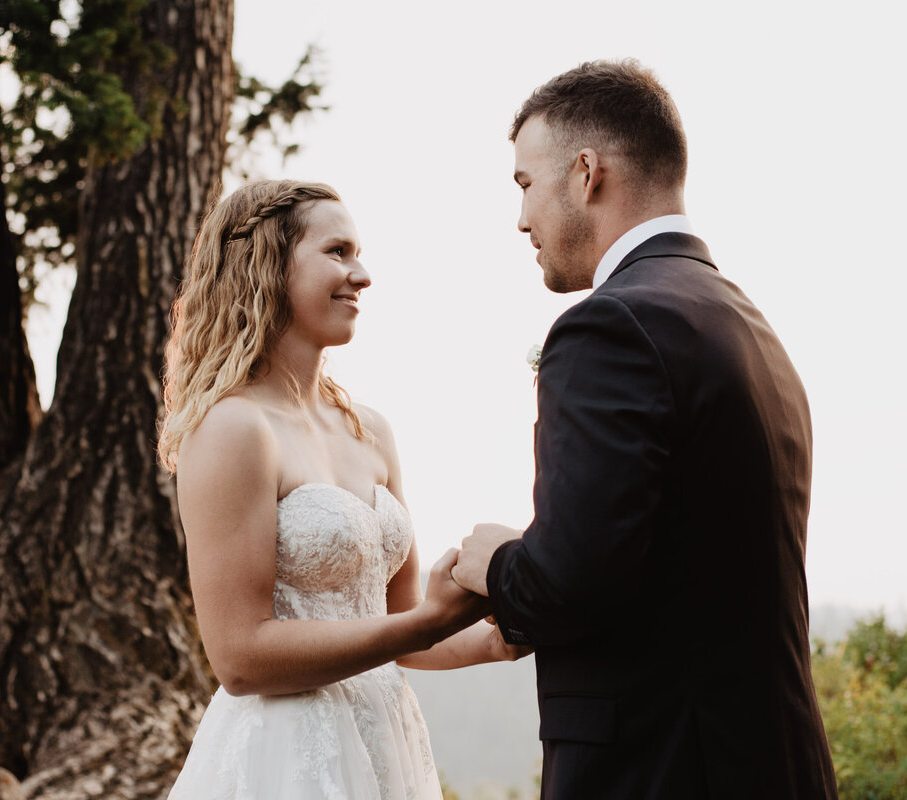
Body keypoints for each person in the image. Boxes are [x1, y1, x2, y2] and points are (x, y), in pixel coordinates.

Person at [451, 60, 839, 798]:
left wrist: (499, 561)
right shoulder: (744, 323)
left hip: (662, 770)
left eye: (525, 185)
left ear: (586, 172)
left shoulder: (613, 324)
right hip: (769, 763)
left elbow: (569, 584)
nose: (521, 219)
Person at [158, 179, 523, 799]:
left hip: (386, 743)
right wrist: (427, 622)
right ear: (267, 265)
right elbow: (241, 658)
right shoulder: (231, 429)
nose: (363, 274)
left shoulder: (370, 429)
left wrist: (501, 637)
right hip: (287, 757)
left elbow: (402, 621)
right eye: (338, 252)